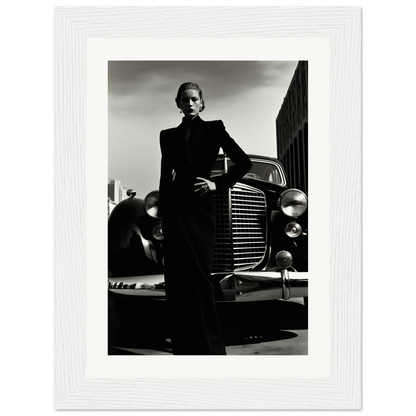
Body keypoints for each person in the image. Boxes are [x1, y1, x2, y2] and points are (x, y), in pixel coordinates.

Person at [158, 82, 252, 355]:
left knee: (200, 279)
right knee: (177, 281)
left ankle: (211, 348)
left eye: (194, 99)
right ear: (177, 103)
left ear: (202, 103)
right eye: (184, 99)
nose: (189, 104)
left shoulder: (214, 128)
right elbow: (165, 178)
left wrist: (217, 184)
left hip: (200, 211)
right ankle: (183, 347)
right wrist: (163, 217)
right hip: (175, 213)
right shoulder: (167, 135)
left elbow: (242, 162)